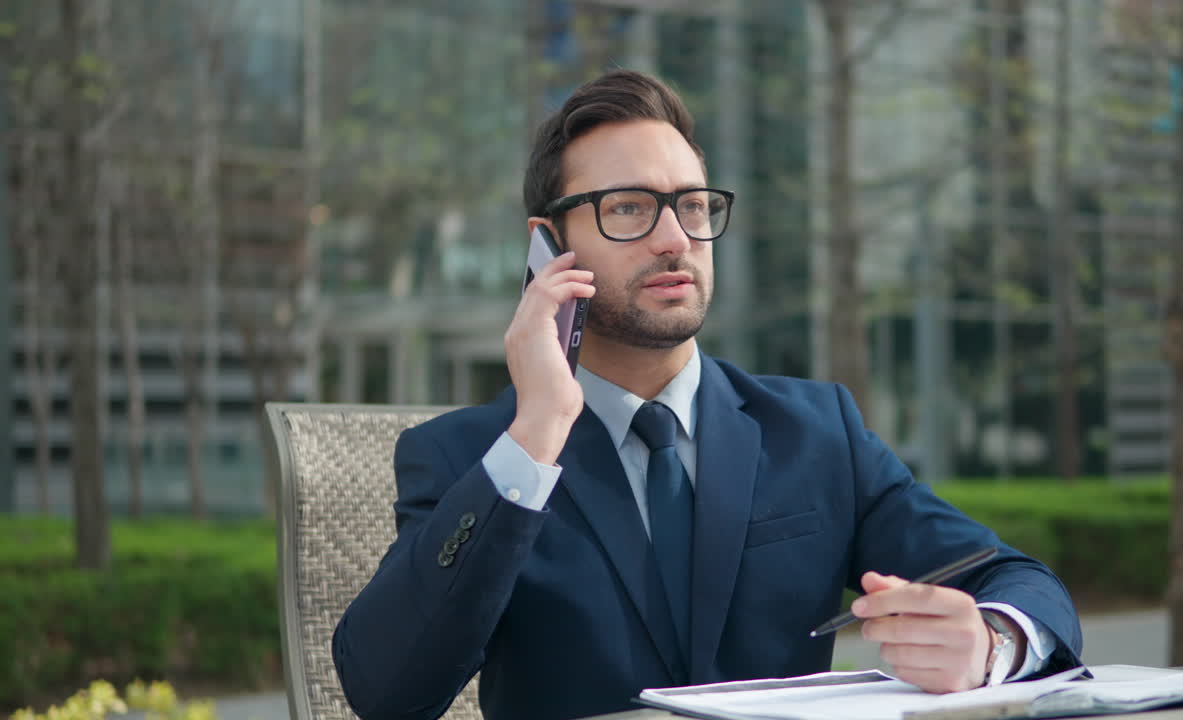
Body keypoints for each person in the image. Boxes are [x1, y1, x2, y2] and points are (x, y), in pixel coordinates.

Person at [332, 69, 1084, 720]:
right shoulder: (472, 458)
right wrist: (537, 434)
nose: (675, 237)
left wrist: (992, 643)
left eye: (691, 205)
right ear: (549, 246)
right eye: (628, 207)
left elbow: (1017, 580)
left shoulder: (817, 432)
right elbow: (388, 691)